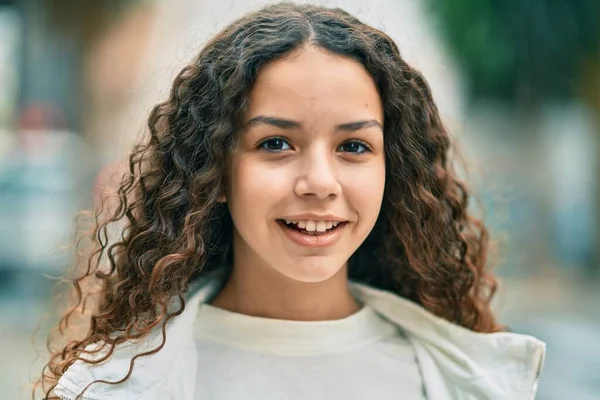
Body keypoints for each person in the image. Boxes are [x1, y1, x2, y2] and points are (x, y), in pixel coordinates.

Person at [39, 3, 545, 399]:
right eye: (275, 144)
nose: (320, 183)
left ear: (394, 171)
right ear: (214, 169)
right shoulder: (112, 387)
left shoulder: (470, 382)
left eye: (354, 146)